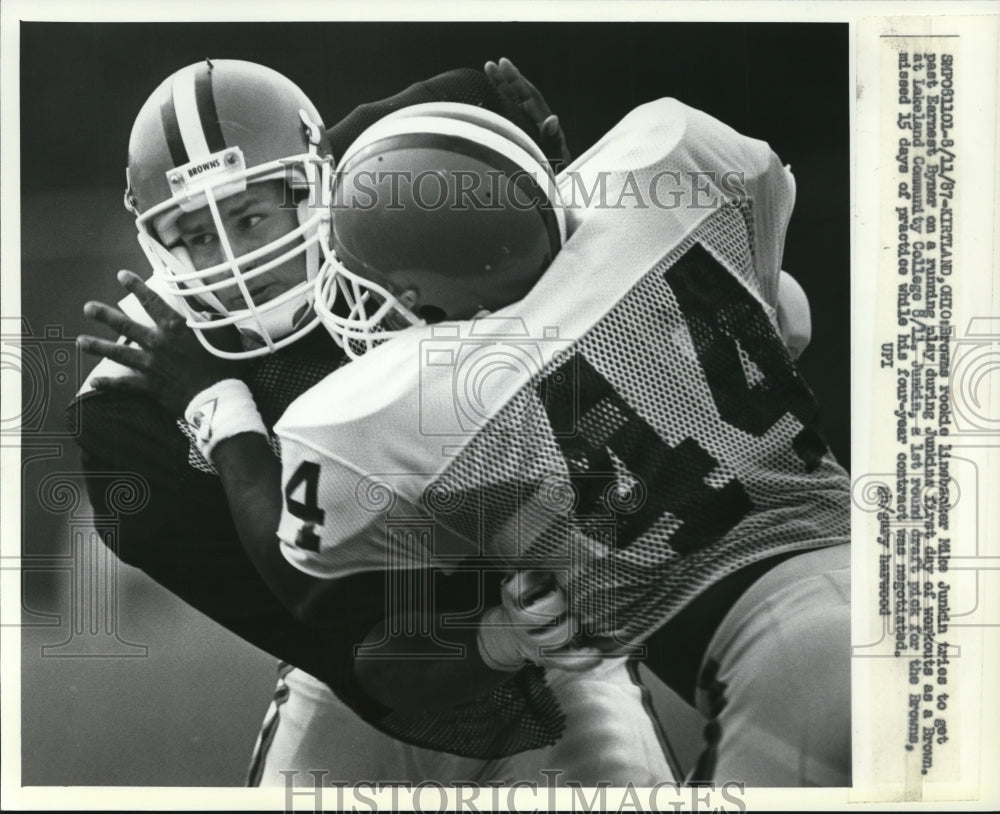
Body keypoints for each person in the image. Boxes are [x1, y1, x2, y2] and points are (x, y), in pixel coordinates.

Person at [74, 57, 673, 786]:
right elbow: (336, 630)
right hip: (358, 679)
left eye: (251, 216)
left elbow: (425, 115)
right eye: (198, 235)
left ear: (316, 194)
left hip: (552, 646)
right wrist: (217, 407)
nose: (235, 259)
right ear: (159, 248)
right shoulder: (127, 417)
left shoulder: (408, 222)